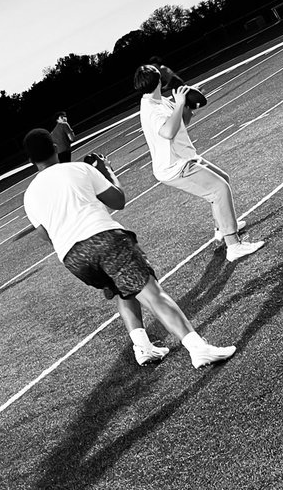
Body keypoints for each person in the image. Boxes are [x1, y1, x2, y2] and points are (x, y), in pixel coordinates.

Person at [22, 128, 236, 369]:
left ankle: (143, 347)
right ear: (54, 147)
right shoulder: (79, 169)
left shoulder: (29, 196)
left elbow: (47, 236)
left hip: (74, 259)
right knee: (153, 294)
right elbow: (118, 200)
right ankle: (199, 349)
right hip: (104, 239)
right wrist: (107, 171)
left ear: (30, 161)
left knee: (123, 290)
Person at [134, 64, 264, 263]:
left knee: (222, 179)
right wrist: (178, 104)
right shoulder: (151, 109)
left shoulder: (160, 101)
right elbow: (168, 132)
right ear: (159, 81)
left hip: (185, 157)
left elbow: (181, 124)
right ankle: (234, 245)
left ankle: (222, 228)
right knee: (219, 189)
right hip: (174, 167)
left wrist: (187, 105)